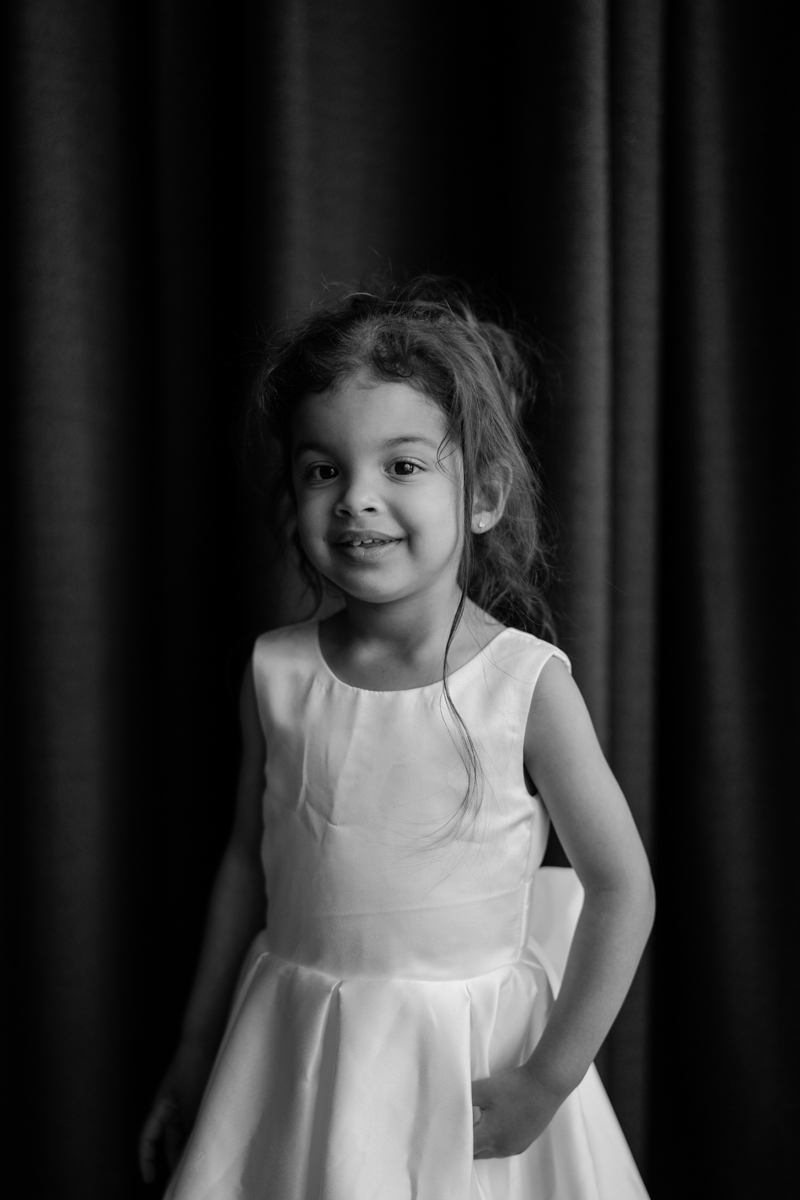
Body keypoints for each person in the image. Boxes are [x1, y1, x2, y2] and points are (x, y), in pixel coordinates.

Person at [139, 278, 655, 1199]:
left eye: (404, 467)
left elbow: (622, 887)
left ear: (484, 496)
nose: (356, 500)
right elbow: (245, 866)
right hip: (299, 1055)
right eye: (322, 469)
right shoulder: (277, 671)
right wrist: (192, 1055)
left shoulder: (524, 683)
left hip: (468, 1069)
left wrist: (549, 1079)